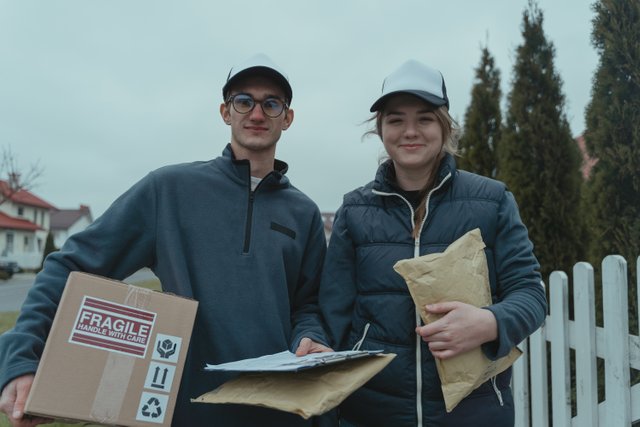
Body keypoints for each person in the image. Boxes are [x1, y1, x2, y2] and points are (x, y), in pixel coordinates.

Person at [0, 53, 332, 427]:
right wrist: (21, 358)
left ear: (287, 118)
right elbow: (70, 265)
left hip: (278, 410)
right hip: (183, 408)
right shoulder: (169, 190)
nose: (257, 114)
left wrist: (310, 337)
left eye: (272, 104)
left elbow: (308, 304)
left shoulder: (303, 212)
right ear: (225, 112)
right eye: (244, 101)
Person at [319, 59, 547, 426]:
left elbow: (531, 295)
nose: (410, 131)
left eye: (424, 118)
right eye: (396, 119)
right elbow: (333, 314)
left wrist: (489, 322)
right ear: (381, 130)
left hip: (474, 411)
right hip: (371, 412)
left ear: (444, 127)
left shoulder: (493, 201)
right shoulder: (355, 210)